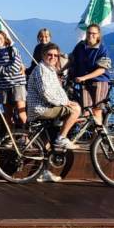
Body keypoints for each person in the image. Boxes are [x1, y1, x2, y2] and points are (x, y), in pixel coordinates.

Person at [26, 43, 81, 182]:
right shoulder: (41, 70)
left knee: (47, 142)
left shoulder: (50, 70)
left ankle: (43, 172)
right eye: (50, 54)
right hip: (40, 109)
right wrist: (65, 103)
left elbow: (58, 91)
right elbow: (45, 93)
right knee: (76, 109)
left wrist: (66, 101)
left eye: (56, 55)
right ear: (43, 55)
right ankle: (62, 138)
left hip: (46, 107)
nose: (53, 57)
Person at [67, 23, 112, 126]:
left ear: (98, 35)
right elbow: (71, 59)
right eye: (88, 33)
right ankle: (88, 137)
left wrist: (84, 77)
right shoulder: (80, 46)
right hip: (84, 83)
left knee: (97, 110)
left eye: (93, 33)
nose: (90, 35)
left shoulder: (102, 49)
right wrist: (61, 70)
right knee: (86, 111)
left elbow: (102, 70)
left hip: (99, 82)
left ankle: (98, 138)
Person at [0, 30, 27, 126]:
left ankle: (27, 136)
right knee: (8, 114)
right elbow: (6, 69)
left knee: (21, 112)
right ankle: (11, 136)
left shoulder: (13, 50)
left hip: (17, 84)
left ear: (5, 39)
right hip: (3, 86)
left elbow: (15, 68)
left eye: (0, 38)